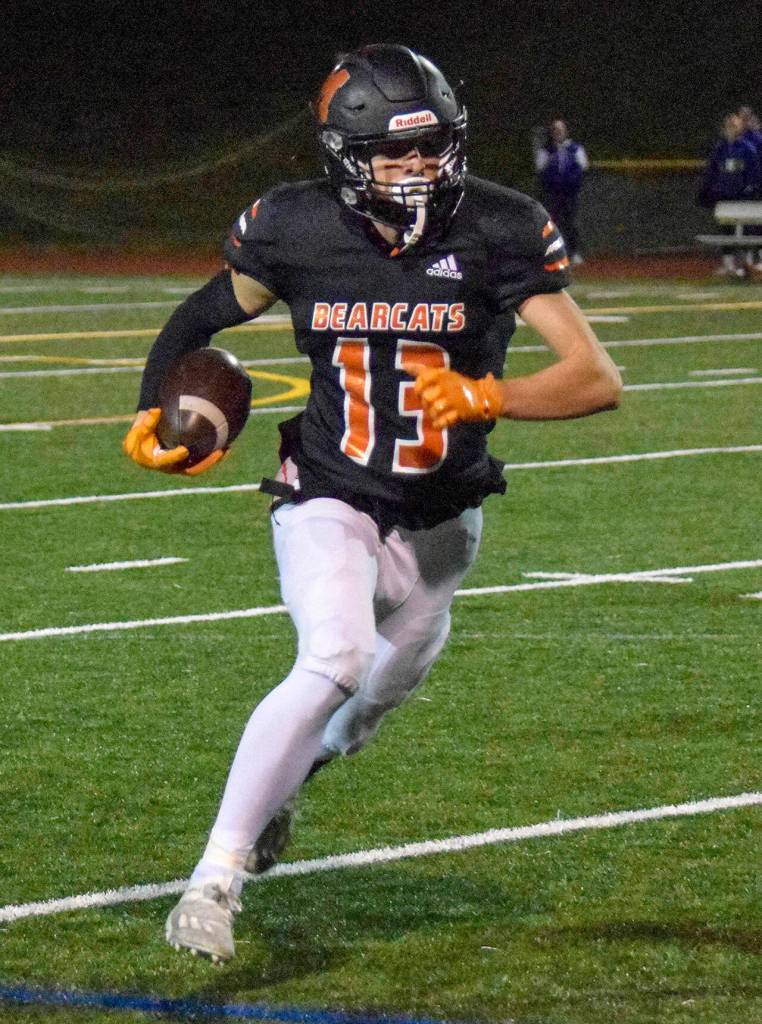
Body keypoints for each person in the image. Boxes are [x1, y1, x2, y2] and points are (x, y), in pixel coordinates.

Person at [123, 44, 622, 963]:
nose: (419, 170)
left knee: (382, 690)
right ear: (346, 155)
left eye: (433, 148)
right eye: (397, 154)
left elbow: (595, 377)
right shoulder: (295, 226)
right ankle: (215, 879)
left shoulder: (500, 227)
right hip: (329, 485)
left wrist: (489, 397)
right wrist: (158, 405)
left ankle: (295, 775)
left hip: (444, 515)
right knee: (339, 653)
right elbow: (201, 319)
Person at [698, 112, 760, 277]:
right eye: (729, 126)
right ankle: (729, 265)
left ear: (740, 129)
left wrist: (749, 189)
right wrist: (709, 190)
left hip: (742, 197)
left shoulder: (747, 148)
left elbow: (754, 173)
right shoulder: (720, 149)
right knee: (726, 230)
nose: (731, 129)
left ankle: (748, 263)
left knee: (748, 230)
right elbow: (712, 171)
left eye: (735, 126)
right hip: (724, 195)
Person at [534, 119, 589, 265]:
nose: (558, 133)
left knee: (571, 223)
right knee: (553, 223)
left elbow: (582, 168)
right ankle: (554, 253)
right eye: (555, 131)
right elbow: (541, 168)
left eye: (561, 130)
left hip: (570, 193)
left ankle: (574, 252)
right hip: (553, 193)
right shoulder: (547, 151)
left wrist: (570, 181)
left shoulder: (575, 149)